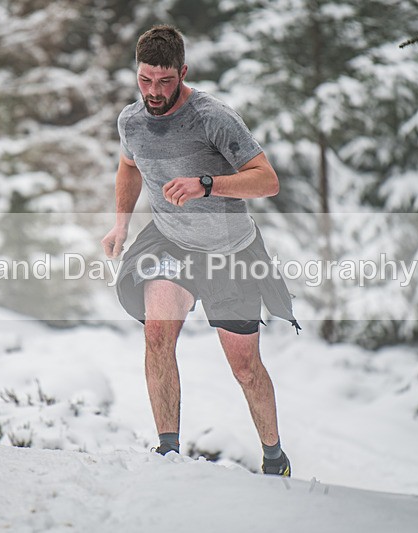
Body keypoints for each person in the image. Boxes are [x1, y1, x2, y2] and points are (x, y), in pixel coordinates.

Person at [101, 24, 299, 477]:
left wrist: (208, 184)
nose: (153, 91)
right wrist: (120, 225)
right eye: (145, 79)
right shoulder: (130, 121)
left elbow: (267, 180)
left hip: (230, 253)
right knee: (157, 334)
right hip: (171, 244)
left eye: (165, 81)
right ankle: (168, 455)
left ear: (183, 72)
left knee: (245, 367)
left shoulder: (213, 118)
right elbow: (129, 168)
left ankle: (274, 458)